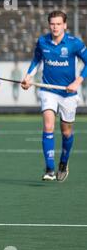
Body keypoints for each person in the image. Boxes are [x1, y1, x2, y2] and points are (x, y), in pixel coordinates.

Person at [22, 10, 87, 182]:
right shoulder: (43, 41)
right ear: (49, 24)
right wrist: (28, 77)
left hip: (68, 93)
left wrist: (77, 82)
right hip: (48, 90)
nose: (55, 27)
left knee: (66, 132)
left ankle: (63, 163)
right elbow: (36, 60)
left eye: (58, 24)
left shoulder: (74, 43)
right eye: (52, 24)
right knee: (48, 125)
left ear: (65, 25)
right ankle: (50, 168)